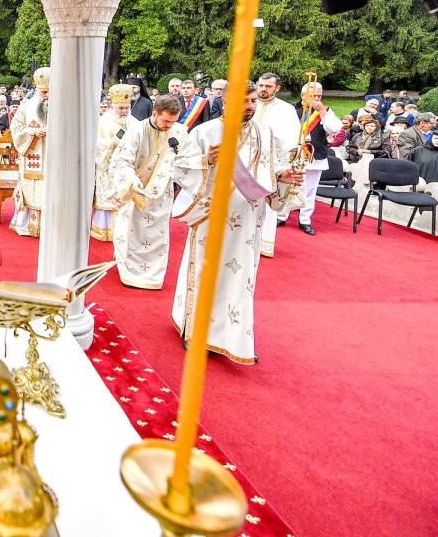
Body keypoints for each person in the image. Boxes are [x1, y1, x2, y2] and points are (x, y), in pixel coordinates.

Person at [171, 82, 299, 364]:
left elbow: (273, 169)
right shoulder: (206, 131)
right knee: (207, 272)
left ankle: (234, 336)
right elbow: (179, 167)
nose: (250, 106)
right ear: (227, 102)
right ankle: (196, 331)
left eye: (253, 100)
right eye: (244, 101)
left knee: (241, 279)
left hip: (249, 221)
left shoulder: (265, 134)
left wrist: (284, 178)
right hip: (211, 216)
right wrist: (205, 160)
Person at [110, 95, 186, 289]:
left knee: (157, 234)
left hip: (161, 193)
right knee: (131, 232)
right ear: (155, 113)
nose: (170, 125)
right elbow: (122, 160)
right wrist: (131, 180)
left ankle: (153, 275)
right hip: (135, 189)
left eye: (173, 121)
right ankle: (129, 271)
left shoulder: (179, 132)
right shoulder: (137, 130)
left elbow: (185, 161)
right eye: (166, 121)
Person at [252, 72, 300, 257]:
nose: (263, 89)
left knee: (269, 200)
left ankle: (265, 242)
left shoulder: (286, 110)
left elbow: (291, 138)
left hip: (272, 162)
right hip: (247, 160)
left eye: (268, 86)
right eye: (261, 85)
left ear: (277, 88)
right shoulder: (249, 102)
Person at [290, 80, 342, 236]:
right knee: (288, 186)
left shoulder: (324, 110)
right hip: (294, 153)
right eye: (313, 96)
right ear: (303, 95)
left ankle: (305, 220)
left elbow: (334, 128)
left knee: (310, 190)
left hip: (315, 154)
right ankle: (282, 215)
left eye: (319, 95)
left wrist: (322, 112)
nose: (317, 98)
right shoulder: (291, 109)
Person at [91, 84, 136, 241]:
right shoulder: (102, 122)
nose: (124, 111)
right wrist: (112, 143)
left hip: (128, 168)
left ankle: (124, 230)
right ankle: (104, 230)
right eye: (121, 108)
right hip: (107, 167)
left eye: (126, 108)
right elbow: (94, 145)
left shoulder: (135, 123)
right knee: (107, 197)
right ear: (112, 106)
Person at [10, 67, 50, 237]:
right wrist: (33, 132)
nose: (46, 95)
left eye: (49, 91)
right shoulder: (26, 106)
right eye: (43, 92)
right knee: (32, 188)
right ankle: (28, 225)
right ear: (37, 89)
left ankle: (49, 226)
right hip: (32, 154)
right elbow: (15, 129)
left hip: (52, 157)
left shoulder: (61, 107)